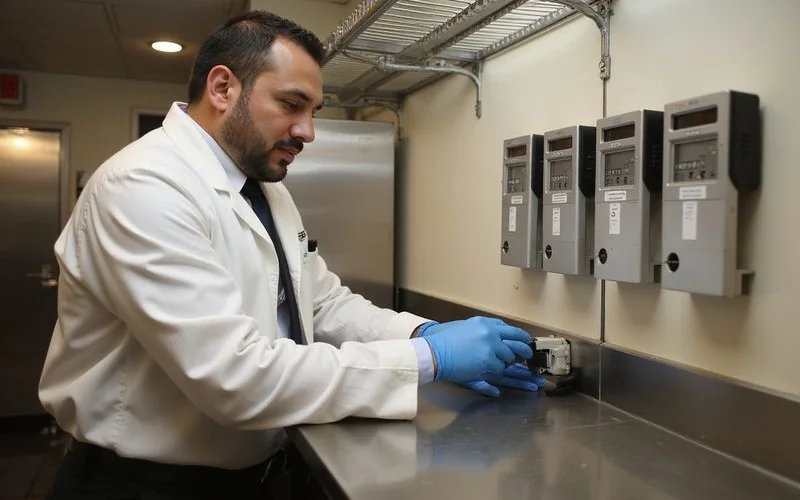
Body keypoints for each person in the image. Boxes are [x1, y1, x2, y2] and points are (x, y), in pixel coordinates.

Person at [38, 10, 546, 500]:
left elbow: (319, 303)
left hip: (250, 474)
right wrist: (432, 360)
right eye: (291, 104)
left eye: (313, 111)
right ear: (222, 88)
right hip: (143, 485)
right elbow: (233, 377)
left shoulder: (264, 188)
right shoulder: (144, 187)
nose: (307, 131)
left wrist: (421, 333)